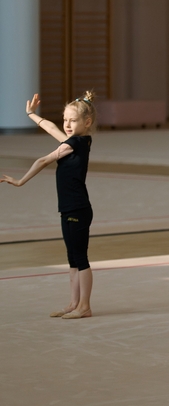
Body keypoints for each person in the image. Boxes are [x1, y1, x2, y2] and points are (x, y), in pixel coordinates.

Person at [2, 92, 97, 319]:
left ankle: (85, 306)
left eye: (72, 120)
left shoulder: (76, 143)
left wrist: (20, 181)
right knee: (72, 258)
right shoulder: (78, 141)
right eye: (65, 119)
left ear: (87, 122)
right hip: (68, 207)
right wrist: (32, 115)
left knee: (80, 258)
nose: (67, 124)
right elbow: (53, 129)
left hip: (77, 208)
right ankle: (74, 303)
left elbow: (43, 160)